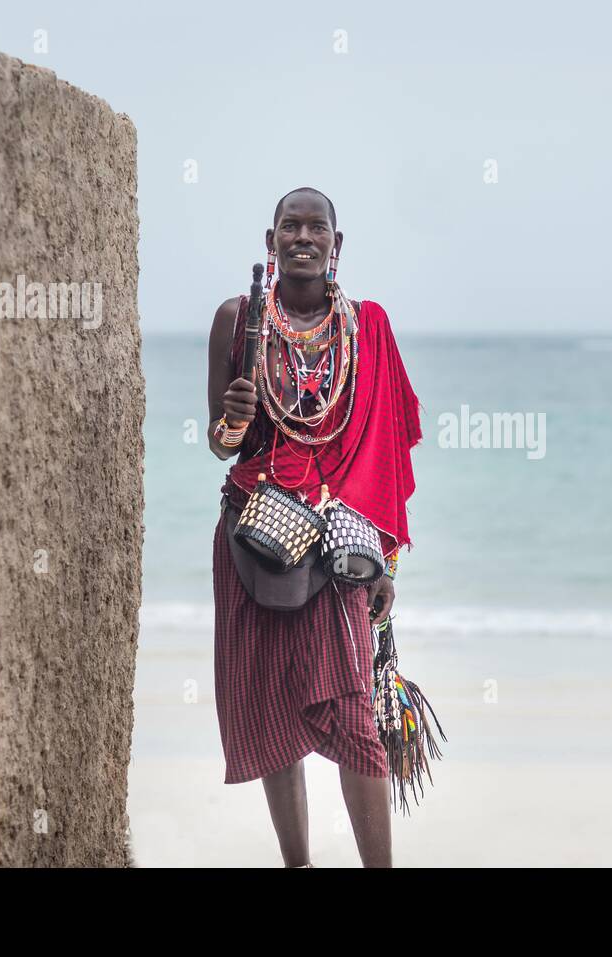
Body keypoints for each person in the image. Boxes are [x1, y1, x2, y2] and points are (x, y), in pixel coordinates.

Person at [206, 187, 422, 868]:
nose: (304, 236)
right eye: (289, 227)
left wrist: (384, 559)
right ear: (270, 243)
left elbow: (380, 454)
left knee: (355, 714)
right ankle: (297, 864)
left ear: (336, 243)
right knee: (275, 712)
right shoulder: (238, 319)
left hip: (339, 546)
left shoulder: (368, 328)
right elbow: (220, 441)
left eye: (316, 227)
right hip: (259, 535)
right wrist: (235, 417)